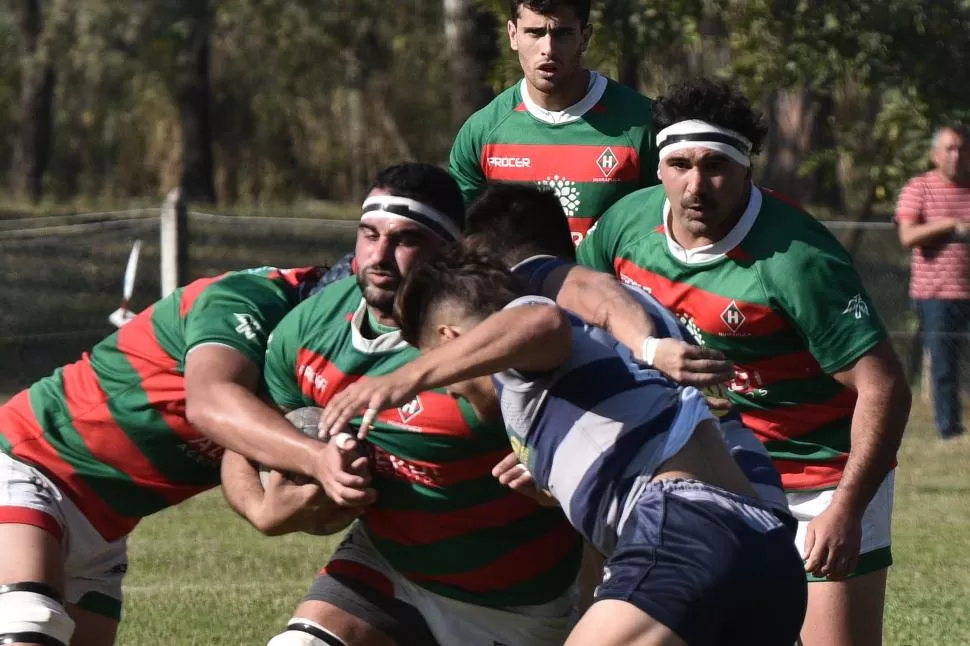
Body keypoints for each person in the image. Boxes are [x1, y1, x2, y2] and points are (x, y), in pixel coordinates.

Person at [319, 247, 808, 646]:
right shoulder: (602, 368)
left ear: (451, 339)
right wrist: (560, 486)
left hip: (689, 531)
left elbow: (540, 322)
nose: (450, 389)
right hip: (766, 553)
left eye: (441, 370)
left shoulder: (518, 331)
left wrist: (405, 378)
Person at [577, 77, 912, 646]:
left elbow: (884, 389)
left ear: (746, 169)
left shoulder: (798, 261)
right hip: (708, 465)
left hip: (818, 476)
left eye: (715, 166)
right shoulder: (627, 225)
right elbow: (579, 295)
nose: (695, 185)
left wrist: (847, 509)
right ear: (658, 166)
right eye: (679, 164)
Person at [221, 162, 582, 646]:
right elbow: (245, 434)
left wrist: (548, 474)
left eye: (406, 239)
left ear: (450, 252)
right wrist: (261, 507)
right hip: (384, 567)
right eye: (369, 234)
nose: (380, 256)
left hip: (516, 601)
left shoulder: (487, 337)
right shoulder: (311, 328)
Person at [0, 259, 356, 646]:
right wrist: (317, 461)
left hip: (107, 529)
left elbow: (239, 444)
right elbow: (211, 405)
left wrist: (271, 509)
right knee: (33, 624)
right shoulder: (245, 298)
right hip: (29, 462)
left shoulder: (325, 365)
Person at [460, 182, 789, 516]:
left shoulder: (537, 281)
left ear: (479, 253)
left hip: (711, 512)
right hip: (752, 497)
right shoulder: (609, 318)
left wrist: (648, 348)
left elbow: (586, 287)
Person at [448, 0, 658, 245]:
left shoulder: (644, 125)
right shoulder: (482, 131)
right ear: (513, 35)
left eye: (563, 33)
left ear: (585, 37)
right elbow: (458, 242)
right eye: (535, 33)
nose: (548, 48)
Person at [896, 125, 970, 440]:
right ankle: (948, 429)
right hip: (936, 295)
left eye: (962, 149)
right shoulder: (919, 187)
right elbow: (907, 235)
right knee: (943, 367)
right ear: (935, 155)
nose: (956, 155)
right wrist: (948, 225)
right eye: (950, 149)